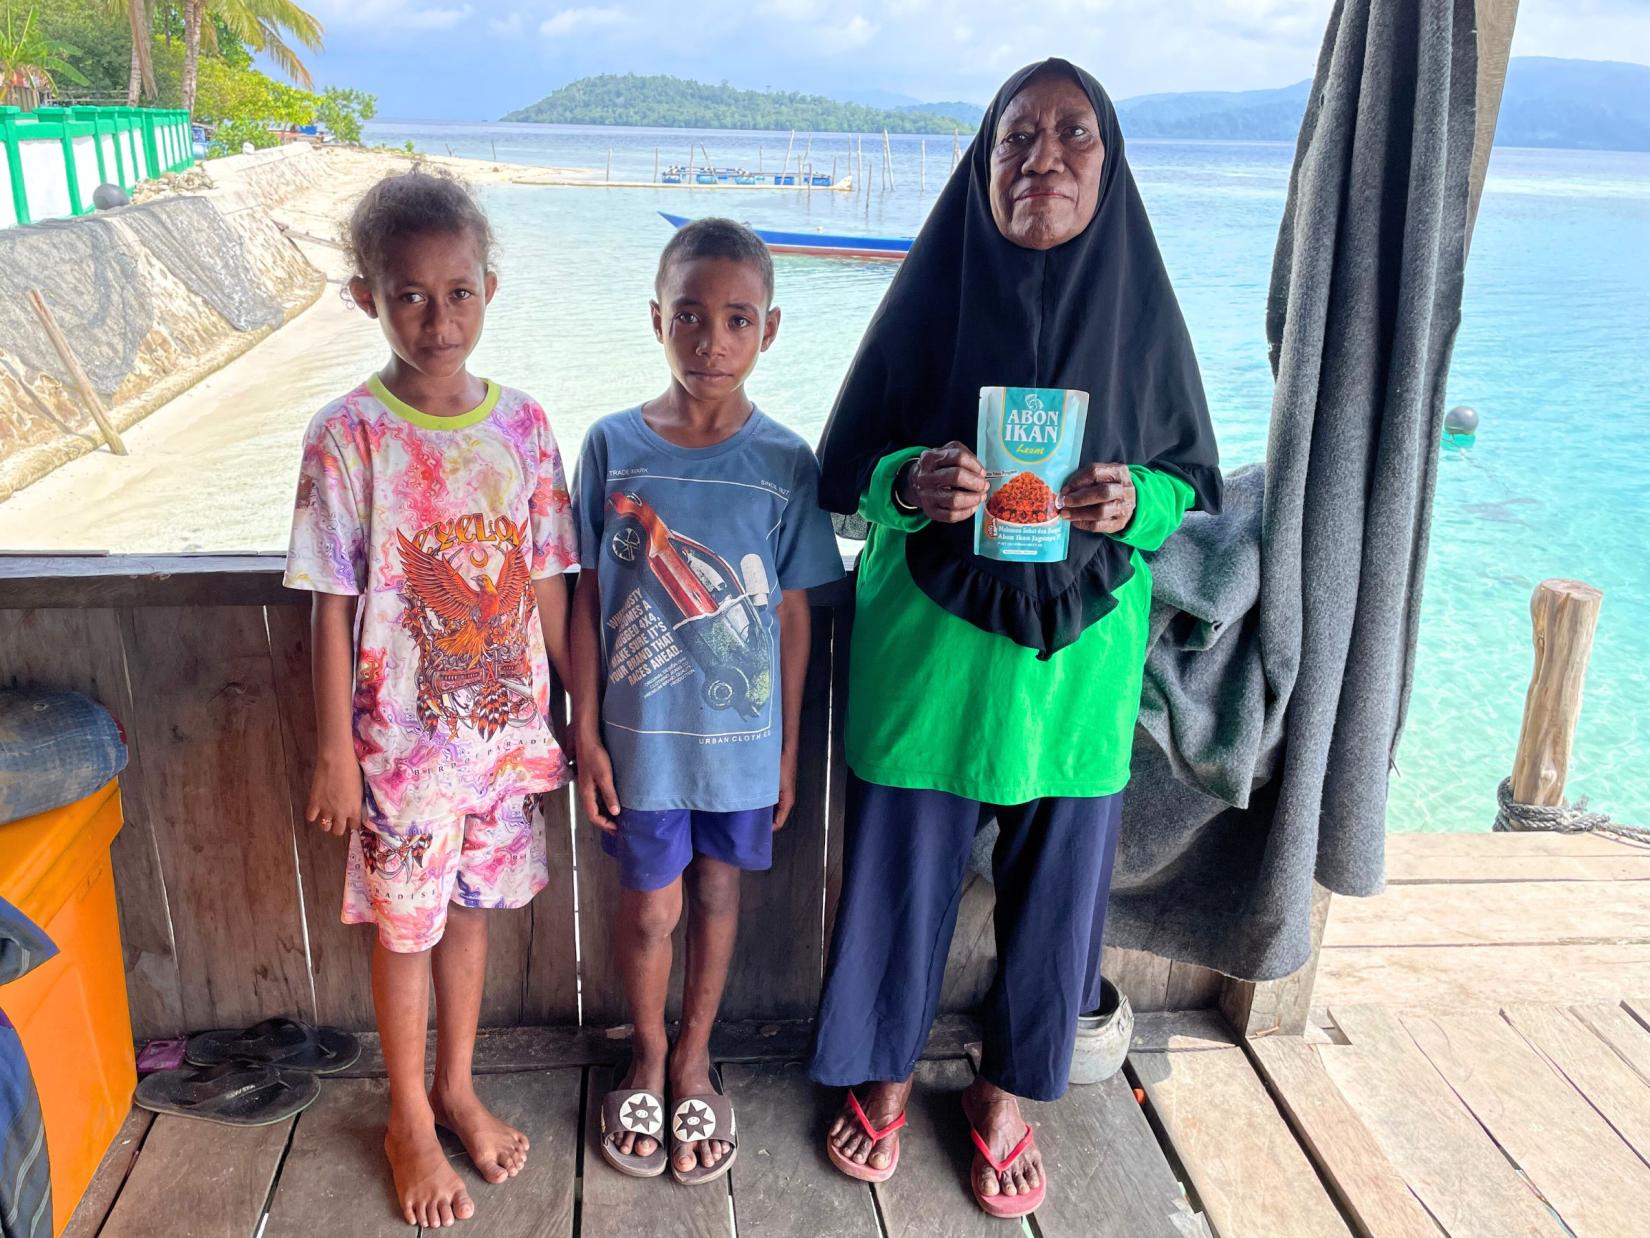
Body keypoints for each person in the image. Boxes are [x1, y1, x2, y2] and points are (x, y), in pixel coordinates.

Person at [810, 59, 1223, 1218]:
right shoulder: (932, 289)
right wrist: (914, 479)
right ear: (982, 160)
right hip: (933, 655)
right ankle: (882, 1076)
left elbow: (1190, 479)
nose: (1043, 157)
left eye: (1074, 135)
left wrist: (1128, 500)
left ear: (1112, 162)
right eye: (1017, 136)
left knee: (1060, 898)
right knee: (901, 880)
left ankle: (1004, 1096)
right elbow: (849, 471)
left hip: (1075, 666)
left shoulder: (1142, 308)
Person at [284, 170, 578, 1229]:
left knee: (471, 915)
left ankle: (456, 1081)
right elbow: (328, 600)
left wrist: (578, 711)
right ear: (368, 298)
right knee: (405, 929)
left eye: (459, 292)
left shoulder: (527, 427)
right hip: (401, 752)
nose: (437, 317)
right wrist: (332, 751)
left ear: (490, 289)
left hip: (505, 745)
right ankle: (407, 1110)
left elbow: (547, 581)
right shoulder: (348, 434)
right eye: (410, 294)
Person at [571, 219, 843, 1184]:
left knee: (720, 896)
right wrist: (584, 728)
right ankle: (644, 1050)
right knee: (649, 912)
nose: (710, 341)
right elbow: (588, 598)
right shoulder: (612, 449)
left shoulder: (785, 463)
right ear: (657, 318)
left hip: (740, 747)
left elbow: (798, 616)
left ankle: (693, 1057)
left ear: (769, 331)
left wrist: (786, 747)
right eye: (690, 315)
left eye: (736, 320)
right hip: (641, 749)